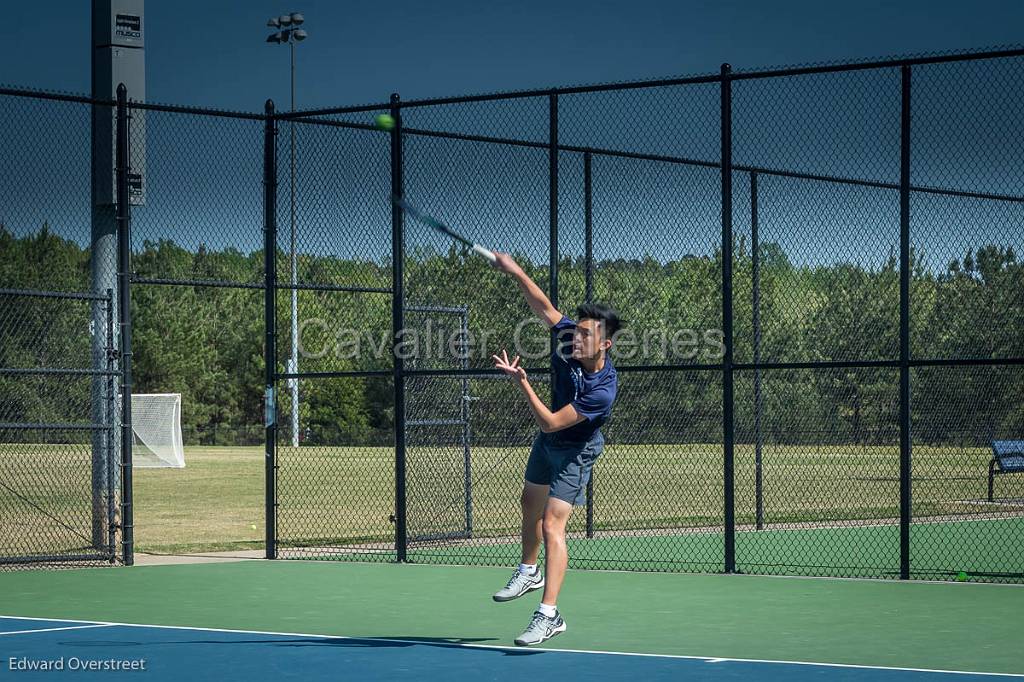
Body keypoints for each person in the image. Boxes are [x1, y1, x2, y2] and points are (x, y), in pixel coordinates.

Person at [489, 252, 620, 647]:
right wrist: (515, 272)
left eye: (586, 335)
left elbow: (549, 421)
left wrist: (521, 381)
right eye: (576, 332)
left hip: (576, 450)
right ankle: (529, 570)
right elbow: (543, 306)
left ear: (606, 344)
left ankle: (549, 615)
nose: (576, 338)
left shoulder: (603, 390)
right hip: (549, 443)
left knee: (551, 524)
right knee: (529, 501)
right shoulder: (568, 338)